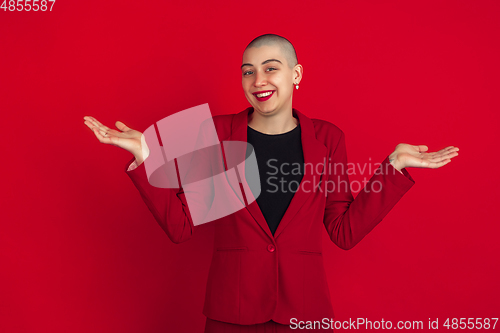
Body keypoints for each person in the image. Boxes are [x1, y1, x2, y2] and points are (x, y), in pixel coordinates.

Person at [83, 34, 459, 332]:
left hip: (305, 315)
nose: (258, 80)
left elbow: (343, 230)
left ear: (296, 74)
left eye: (270, 68)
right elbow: (181, 226)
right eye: (248, 71)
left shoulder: (328, 138)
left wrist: (393, 166)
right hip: (232, 312)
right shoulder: (215, 132)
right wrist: (144, 156)